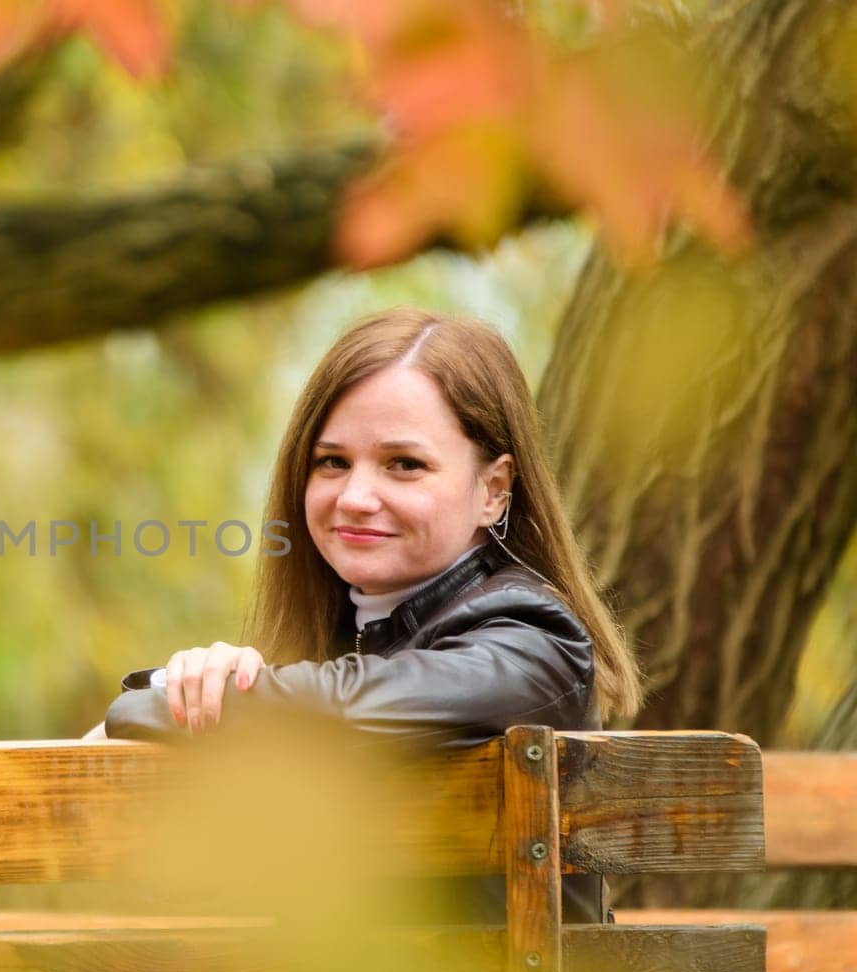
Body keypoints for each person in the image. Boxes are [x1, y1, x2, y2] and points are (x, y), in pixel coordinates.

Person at [90, 307, 641, 923]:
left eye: (404, 464)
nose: (355, 497)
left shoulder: (536, 645)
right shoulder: (330, 651)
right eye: (333, 462)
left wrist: (172, 698)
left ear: (493, 489)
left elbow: (354, 703)